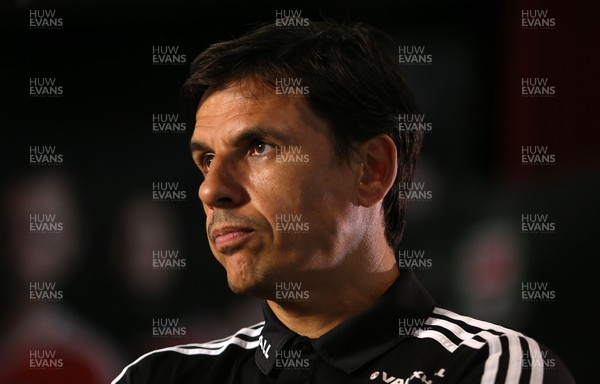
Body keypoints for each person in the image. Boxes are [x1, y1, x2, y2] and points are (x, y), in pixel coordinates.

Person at [112, 20, 575, 384]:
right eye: (206, 158)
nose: (211, 189)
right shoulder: (157, 375)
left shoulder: (493, 370)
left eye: (259, 147)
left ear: (370, 170)